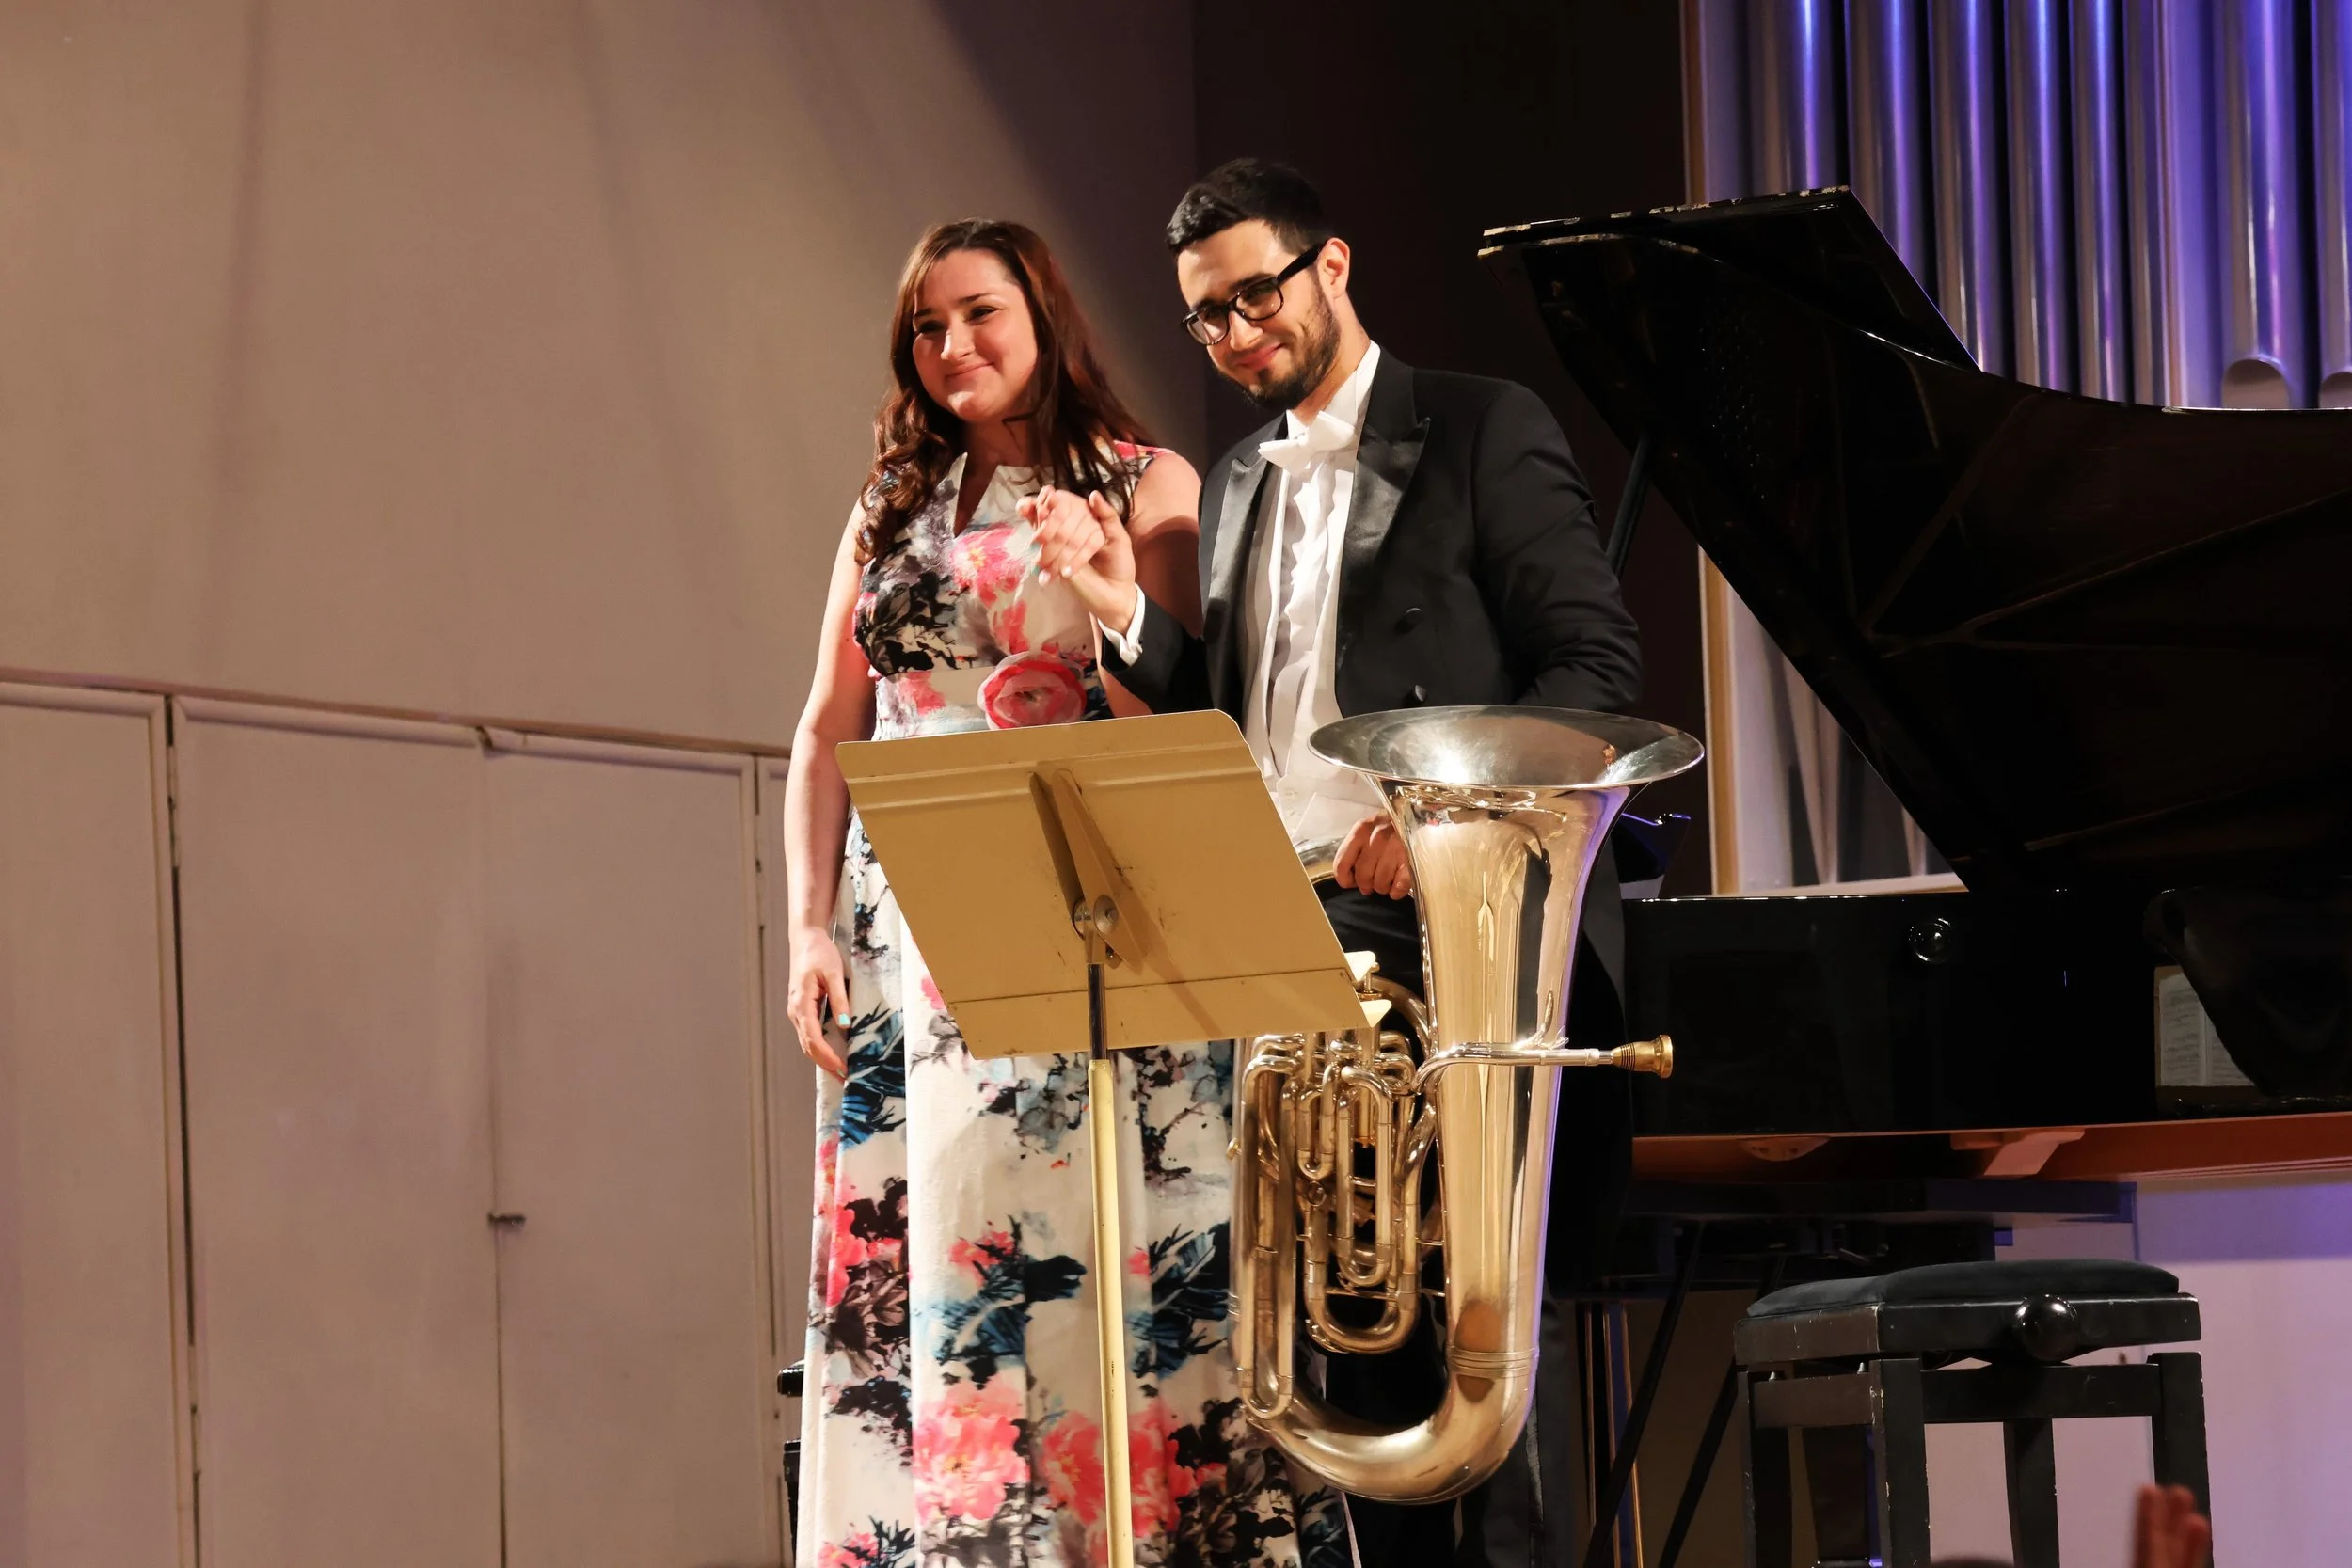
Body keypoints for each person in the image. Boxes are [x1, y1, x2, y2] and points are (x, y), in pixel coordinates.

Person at [1030, 160, 1644, 1568]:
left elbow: (1595, 668)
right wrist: (1123, 605)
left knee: (1465, 1365)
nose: (1240, 331)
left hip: (1439, 935)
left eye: (1259, 292)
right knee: (1337, 1361)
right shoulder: (1239, 477)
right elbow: (1234, 715)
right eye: (1207, 318)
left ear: (1334, 266)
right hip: (1285, 931)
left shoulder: (1484, 428)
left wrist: (1435, 812)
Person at [784, 218, 1347, 1568]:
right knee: (937, 1247)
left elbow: (1193, 703)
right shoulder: (890, 507)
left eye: (978, 313)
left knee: (1099, 1245)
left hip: (1081, 898)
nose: (951, 347)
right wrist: (807, 920)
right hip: (906, 925)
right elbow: (823, 730)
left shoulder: (1142, 477)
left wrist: (1102, 587)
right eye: (926, 328)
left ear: (1043, 315)